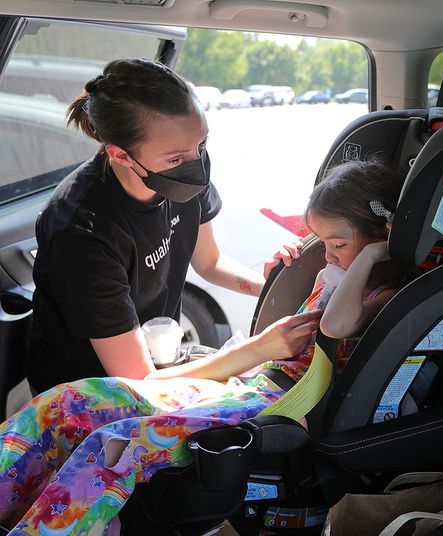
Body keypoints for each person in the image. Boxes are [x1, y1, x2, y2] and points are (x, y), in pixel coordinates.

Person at [0, 159, 413, 534]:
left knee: (116, 445)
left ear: (384, 235)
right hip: (251, 380)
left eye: (338, 245)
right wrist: (285, 275)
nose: (328, 255)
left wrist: (375, 254)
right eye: (320, 242)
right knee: (72, 399)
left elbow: (338, 324)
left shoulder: (386, 293)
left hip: (287, 402)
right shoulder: (333, 271)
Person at [26, 58, 316, 394]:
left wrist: (270, 285)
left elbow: (209, 262)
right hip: (85, 391)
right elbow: (138, 382)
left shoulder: (184, 166)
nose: (196, 164)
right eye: (177, 159)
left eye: (201, 146)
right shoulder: (82, 231)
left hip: (157, 363)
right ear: (120, 155)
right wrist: (259, 349)